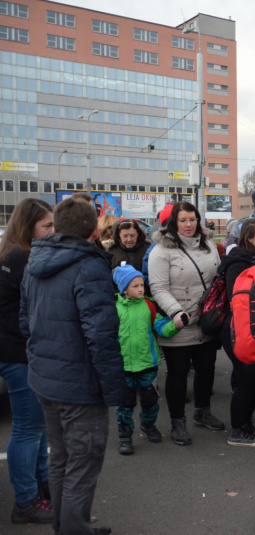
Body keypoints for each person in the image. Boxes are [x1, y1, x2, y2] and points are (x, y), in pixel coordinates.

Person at [20, 196, 126, 535]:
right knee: (81, 463)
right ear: (94, 232)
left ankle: (68, 526)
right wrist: (115, 390)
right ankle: (73, 529)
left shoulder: (36, 259)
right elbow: (102, 334)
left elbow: (26, 322)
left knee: (63, 459)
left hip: (46, 379)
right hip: (78, 386)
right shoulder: (88, 265)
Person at [149, 201, 223, 446]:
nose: (189, 225)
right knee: (178, 373)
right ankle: (177, 421)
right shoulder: (161, 250)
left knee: (206, 369)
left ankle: (202, 412)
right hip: (178, 321)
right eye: (183, 220)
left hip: (207, 320)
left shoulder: (209, 244)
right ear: (174, 222)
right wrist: (175, 312)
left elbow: (217, 279)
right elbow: (158, 287)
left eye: (192, 219)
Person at [0, 199, 54, 525]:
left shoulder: (10, 254)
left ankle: (40, 489)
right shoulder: (23, 258)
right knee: (29, 429)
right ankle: (25, 502)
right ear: (28, 227)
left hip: (18, 353)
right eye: (47, 226)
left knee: (37, 426)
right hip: (20, 355)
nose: (53, 232)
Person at [219, 218, 255, 447]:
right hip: (239, 330)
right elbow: (241, 300)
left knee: (254, 379)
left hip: (251, 329)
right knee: (246, 379)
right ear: (249, 238)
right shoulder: (238, 262)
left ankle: (245, 426)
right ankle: (237, 431)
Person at [113, 264, 179, 455]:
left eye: (142, 285)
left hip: (147, 364)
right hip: (123, 366)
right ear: (124, 288)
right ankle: (125, 436)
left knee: (150, 400)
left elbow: (161, 327)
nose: (141, 289)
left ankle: (148, 426)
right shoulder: (113, 309)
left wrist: (174, 326)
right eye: (135, 286)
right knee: (125, 404)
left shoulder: (149, 305)